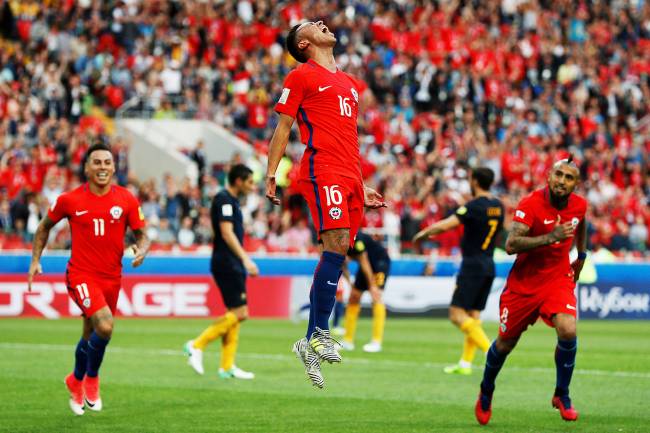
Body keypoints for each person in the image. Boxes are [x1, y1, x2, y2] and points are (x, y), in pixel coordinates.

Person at [265, 20, 385, 389]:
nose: (323, 23)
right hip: (323, 170)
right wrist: (271, 173)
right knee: (334, 244)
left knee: (341, 249)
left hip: (351, 175)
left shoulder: (349, 84)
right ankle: (319, 330)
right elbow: (284, 128)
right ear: (303, 43)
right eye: (313, 25)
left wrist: (361, 184)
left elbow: (347, 136)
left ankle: (309, 338)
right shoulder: (300, 76)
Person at [27, 143, 149, 416]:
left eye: (107, 162)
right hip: (81, 275)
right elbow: (43, 227)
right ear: (86, 168)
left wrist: (143, 249)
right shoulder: (69, 200)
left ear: (114, 167)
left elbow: (143, 234)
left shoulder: (126, 199)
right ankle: (91, 378)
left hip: (112, 277)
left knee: (90, 333)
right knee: (105, 327)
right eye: (97, 162)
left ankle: (74, 379)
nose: (103, 167)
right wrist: (35, 261)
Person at [474, 157, 587, 425]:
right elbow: (511, 244)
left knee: (568, 329)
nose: (562, 181)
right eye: (558, 175)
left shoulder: (580, 205)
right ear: (548, 176)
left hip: (558, 278)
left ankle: (562, 394)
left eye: (568, 178)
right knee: (505, 344)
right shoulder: (530, 204)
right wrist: (551, 237)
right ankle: (486, 389)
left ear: (576, 184)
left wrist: (581, 255)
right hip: (524, 284)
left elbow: (582, 223)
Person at [413, 167, 504, 375]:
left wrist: (424, 233)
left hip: (472, 265)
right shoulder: (498, 206)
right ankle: (465, 364)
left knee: (456, 314)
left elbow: (447, 225)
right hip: (489, 264)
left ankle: (491, 351)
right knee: (473, 315)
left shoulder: (473, 206)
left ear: (474, 181)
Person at [184, 164, 258, 380]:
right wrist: (245, 259)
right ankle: (196, 345)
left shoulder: (232, 201)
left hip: (230, 261)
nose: (252, 186)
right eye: (250, 182)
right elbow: (226, 233)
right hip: (227, 262)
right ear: (238, 181)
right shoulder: (224, 199)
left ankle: (227, 366)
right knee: (240, 313)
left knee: (234, 313)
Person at [340, 231, 391, 353]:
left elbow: (364, 261)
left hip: (380, 263)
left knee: (376, 296)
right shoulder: (336, 242)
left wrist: (372, 285)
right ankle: (347, 340)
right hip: (366, 266)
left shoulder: (355, 239)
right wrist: (350, 284)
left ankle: (376, 342)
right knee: (354, 297)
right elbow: (342, 265)